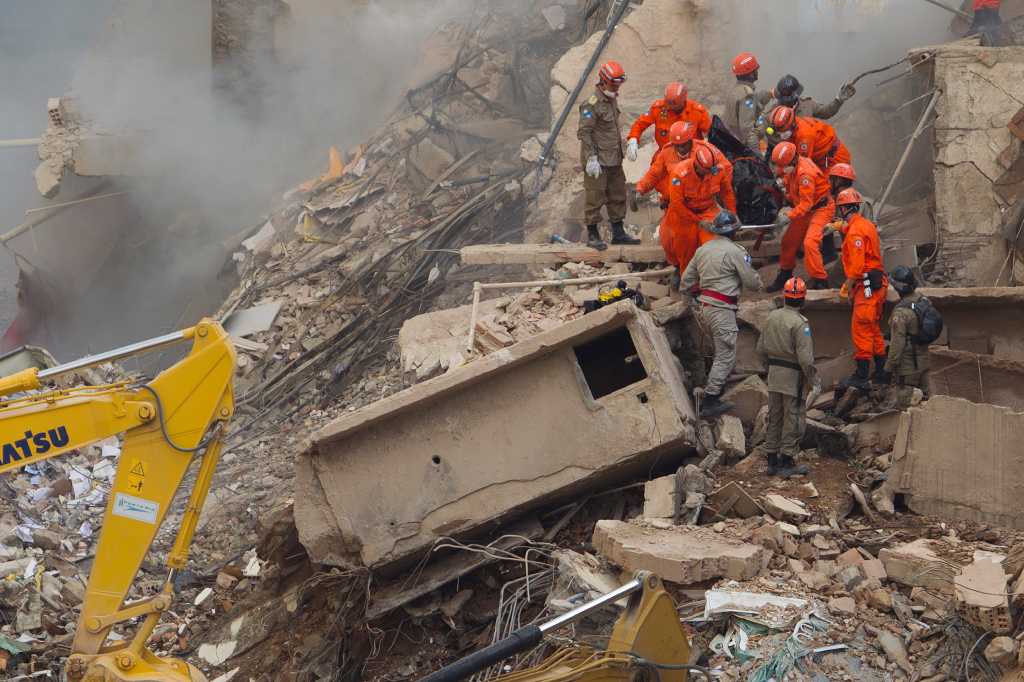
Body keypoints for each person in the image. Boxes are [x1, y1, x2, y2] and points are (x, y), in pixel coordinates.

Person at [681, 210, 764, 418]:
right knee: (725, 355)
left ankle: (713, 386)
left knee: (719, 351)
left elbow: (686, 281)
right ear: (734, 231)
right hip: (722, 308)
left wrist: (691, 299)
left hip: (705, 307)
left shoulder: (703, 249)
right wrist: (759, 282)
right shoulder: (736, 251)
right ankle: (710, 399)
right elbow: (752, 283)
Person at [756, 277, 816, 478]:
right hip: (793, 379)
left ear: (785, 296)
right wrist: (813, 380)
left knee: (775, 417)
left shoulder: (772, 317)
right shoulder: (801, 324)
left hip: (774, 376)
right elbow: (806, 359)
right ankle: (787, 460)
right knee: (794, 418)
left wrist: (770, 368)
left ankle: (771, 460)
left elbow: (760, 349)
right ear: (803, 299)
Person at [578, 60, 640, 249]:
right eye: (614, 83)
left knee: (617, 194)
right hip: (597, 160)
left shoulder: (612, 99)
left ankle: (618, 232)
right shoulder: (591, 104)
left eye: (619, 83)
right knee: (595, 196)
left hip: (614, 157)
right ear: (604, 81)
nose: (617, 87)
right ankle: (593, 234)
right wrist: (591, 158)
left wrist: (628, 144)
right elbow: (584, 132)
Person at [836, 188, 887, 389]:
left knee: (861, 329)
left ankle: (862, 375)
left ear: (845, 209)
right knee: (874, 329)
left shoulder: (856, 231)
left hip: (866, 286)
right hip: (876, 284)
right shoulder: (865, 225)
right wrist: (839, 227)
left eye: (840, 210)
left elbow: (857, 267)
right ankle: (881, 372)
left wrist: (846, 287)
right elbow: (852, 231)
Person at [769, 141, 835, 292]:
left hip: (820, 209)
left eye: (782, 165)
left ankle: (820, 280)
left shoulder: (806, 174)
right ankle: (785, 274)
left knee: (810, 243)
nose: (780, 169)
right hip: (806, 210)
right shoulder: (794, 164)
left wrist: (788, 216)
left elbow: (806, 204)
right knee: (788, 242)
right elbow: (790, 179)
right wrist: (783, 183)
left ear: (792, 160)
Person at [663, 143, 737, 273]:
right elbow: (676, 204)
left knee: (714, 246)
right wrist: (698, 221)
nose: (711, 173)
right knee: (684, 248)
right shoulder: (679, 174)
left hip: (708, 210)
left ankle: (713, 279)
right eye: (708, 170)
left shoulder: (717, 170)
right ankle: (685, 279)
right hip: (683, 214)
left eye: (713, 169)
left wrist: (732, 215)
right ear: (697, 165)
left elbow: (727, 193)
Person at [627, 82, 711, 162]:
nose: (669, 106)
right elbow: (640, 124)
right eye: (668, 102)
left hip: (690, 158)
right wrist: (633, 139)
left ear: (683, 100)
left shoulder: (697, 112)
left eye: (674, 103)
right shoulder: (658, 108)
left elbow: (712, 134)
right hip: (665, 155)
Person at [885, 266, 932, 398]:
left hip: (908, 367)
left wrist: (888, 369)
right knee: (927, 400)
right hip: (925, 361)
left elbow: (897, 344)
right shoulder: (924, 300)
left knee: (906, 403)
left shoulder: (900, 313)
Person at [766, 106, 851, 172]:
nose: (779, 133)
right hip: (823, 159)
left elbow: (802, 164)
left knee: (825, 190)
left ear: (791, 125)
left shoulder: (804, 137)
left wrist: (783, 173)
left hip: (834, 160)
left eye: (781, 130)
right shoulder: (796, 124)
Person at [636, 121, 696, 208]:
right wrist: (641, 189)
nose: (681, 149)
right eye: (677, 145)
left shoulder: (701, 152)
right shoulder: (666, 152)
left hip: (698, 201)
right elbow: (654, 174)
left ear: (690, 140)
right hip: (675, 201)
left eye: (684, 145)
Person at [725, 52, 773, 152]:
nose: (757, 72)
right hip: (742, 147)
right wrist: (757, 156)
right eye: (755, 70)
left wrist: (770, 94)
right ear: (751, 73)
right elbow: (748, 130)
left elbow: (753, 102)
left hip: (731, 141)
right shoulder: (747, 95)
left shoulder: (736, 90)